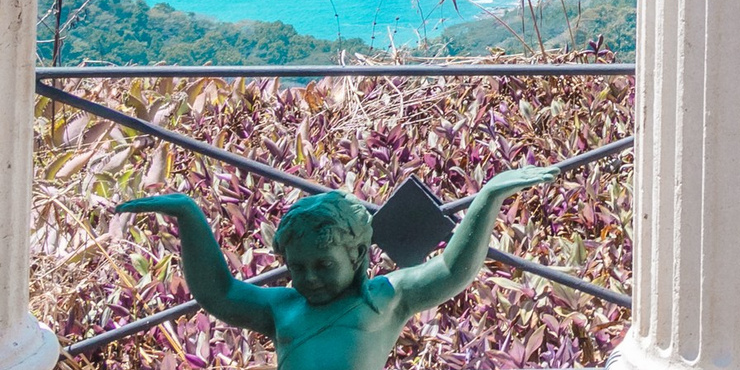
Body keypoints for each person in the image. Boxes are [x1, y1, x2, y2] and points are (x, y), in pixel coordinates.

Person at [116, 170, 556, 370]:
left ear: (360, 253)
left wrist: (489, 196)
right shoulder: (283, 307)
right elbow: (221, 293)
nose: (308, 279)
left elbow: (451, 270)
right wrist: (189, 215)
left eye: (323, 265)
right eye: (297, 268)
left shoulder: (386, 298)